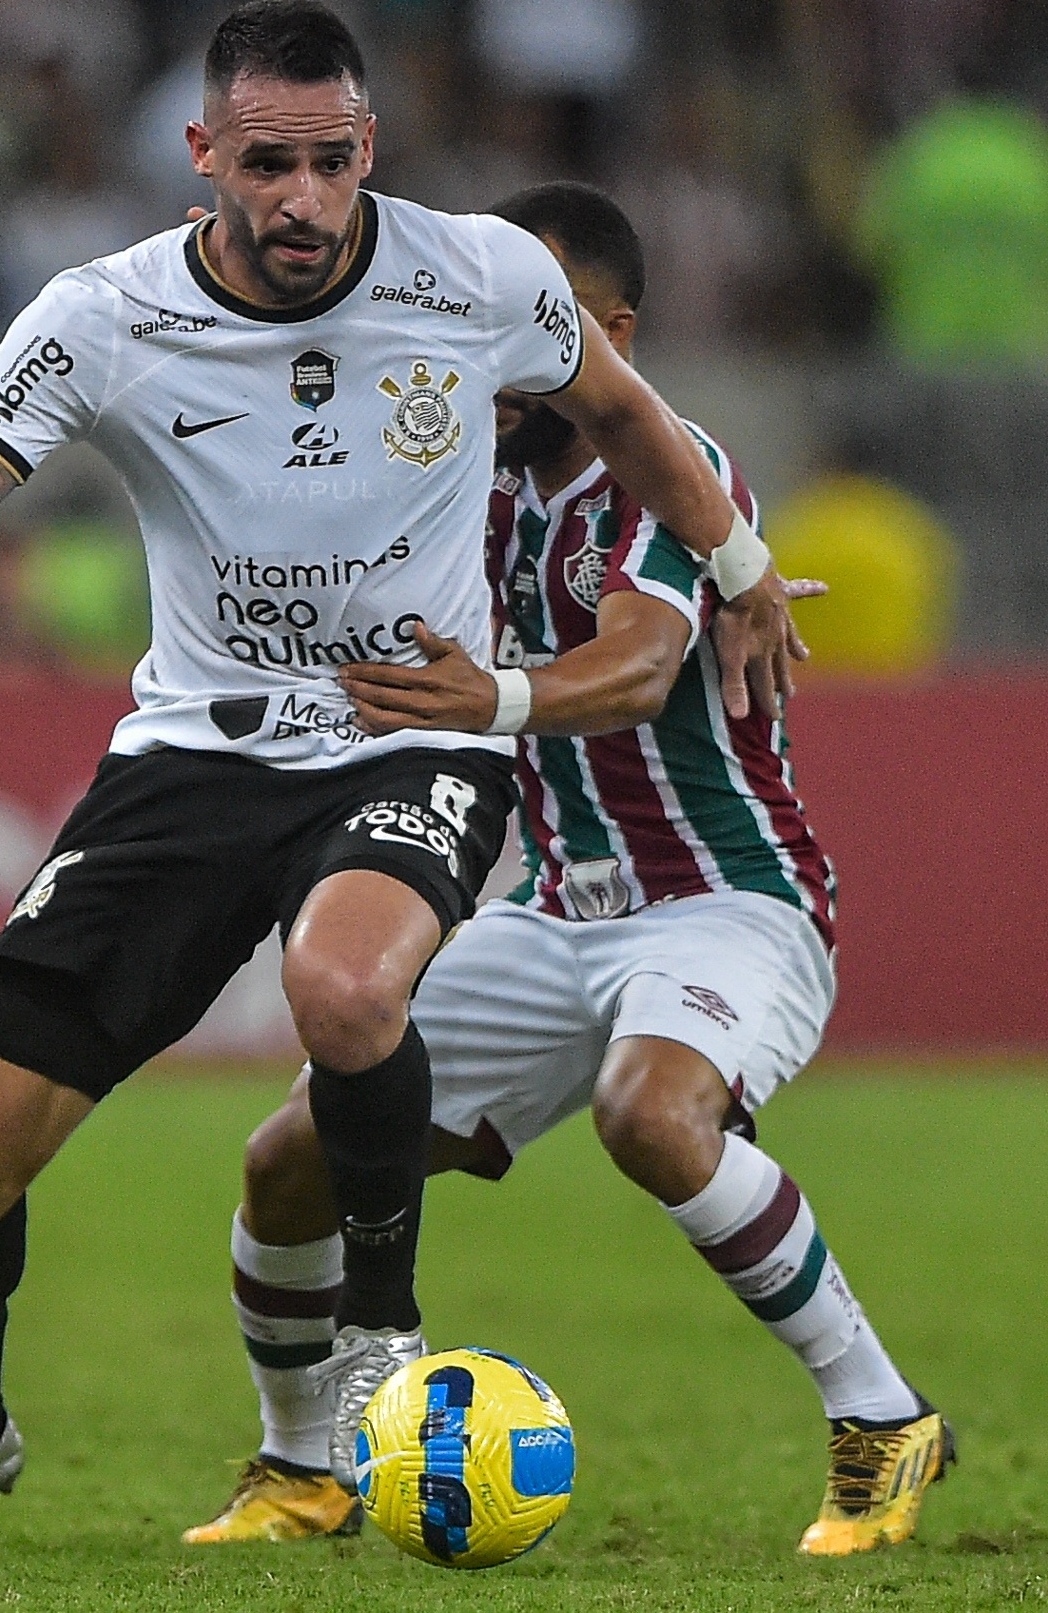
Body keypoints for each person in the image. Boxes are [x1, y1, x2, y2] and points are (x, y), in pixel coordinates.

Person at [0, 0, 802, 1550]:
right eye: (264, 164)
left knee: (349, 987)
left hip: (412, 728)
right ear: (202, 157)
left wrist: (743, 566)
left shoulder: (480, 275)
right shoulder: (101, 317)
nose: (300, 198)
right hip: (190, 753)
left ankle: (383, 1344)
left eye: (328, 161)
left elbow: (632, 421)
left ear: (368, 150)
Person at [184, 184, 951, 1559]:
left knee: (648, 1118)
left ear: (605, 332)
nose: (487, 344)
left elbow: (639, 667)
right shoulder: (454, 488)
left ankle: (883, 1417)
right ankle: (302, 1467)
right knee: (291, 1161)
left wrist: (480, 698)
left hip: (725, 895)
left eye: (522, 320)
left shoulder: (670, 467)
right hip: (552, 909)